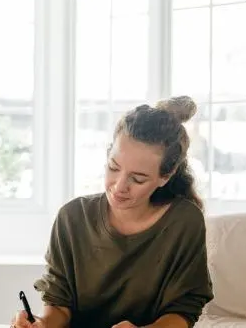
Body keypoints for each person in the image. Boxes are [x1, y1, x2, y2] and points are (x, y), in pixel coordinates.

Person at [12, 96, 213, 328]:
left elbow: (184, 309)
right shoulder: (72, 217)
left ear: (165, 177)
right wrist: (41, 324)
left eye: (138, 179)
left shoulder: (184, 221)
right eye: (113, 167)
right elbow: (58, 303)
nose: (119, 187)